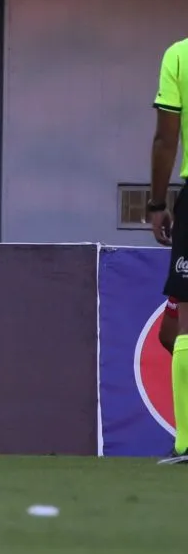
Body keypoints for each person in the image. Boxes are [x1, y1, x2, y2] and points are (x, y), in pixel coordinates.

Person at [148, 36, 188, 464]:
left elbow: (166, 137)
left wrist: (157, 203)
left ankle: (186, 444)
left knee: (185, 326)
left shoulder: (179, 55)